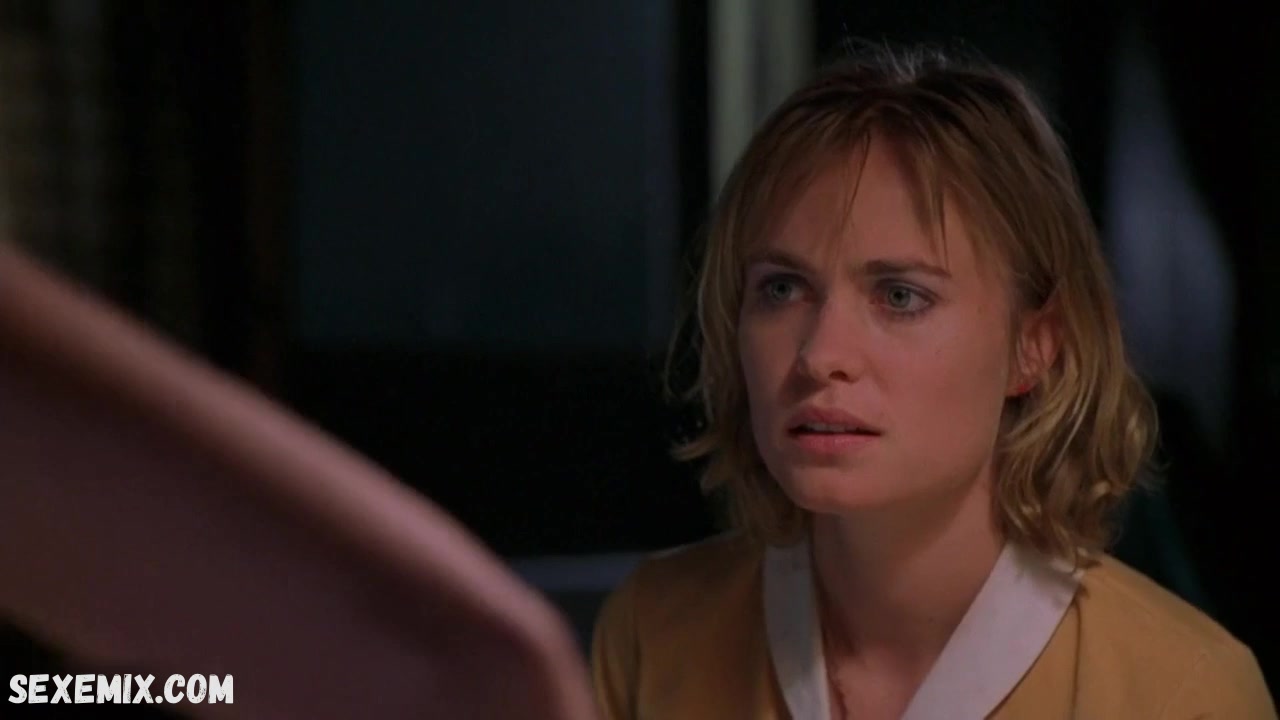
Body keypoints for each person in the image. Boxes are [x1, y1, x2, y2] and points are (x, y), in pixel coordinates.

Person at [590, 44, 1277, 719]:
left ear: (1035, 346)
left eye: (900, 296)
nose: (819, 355)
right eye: (782, 288)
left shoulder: (1182, 694)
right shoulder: (654, 631)